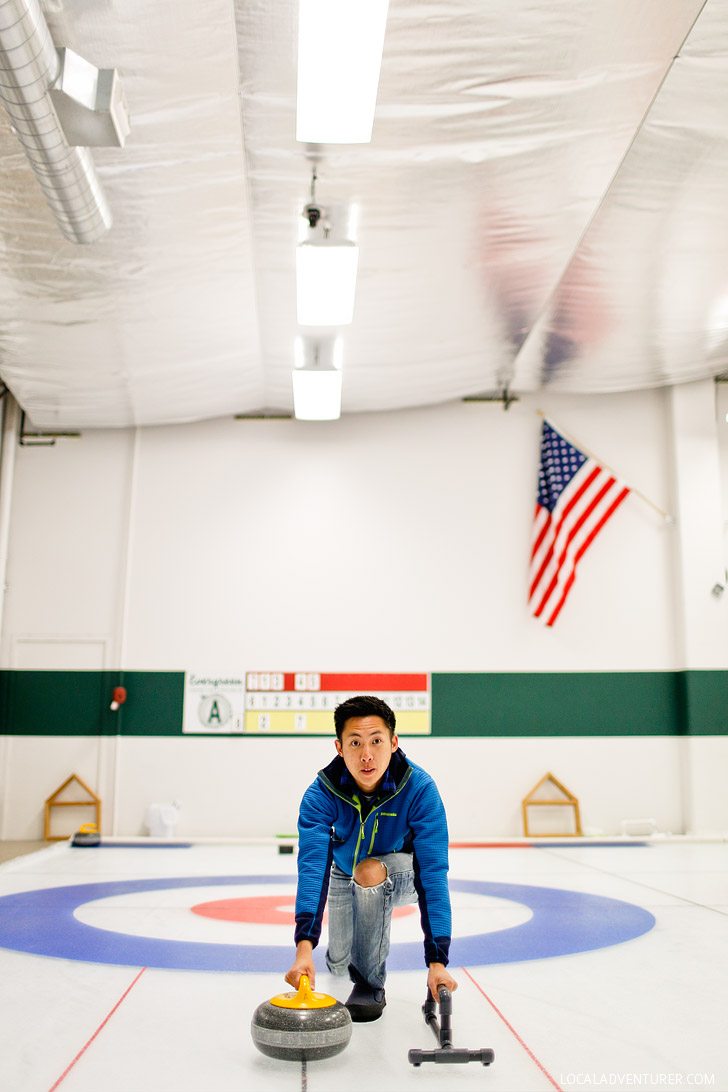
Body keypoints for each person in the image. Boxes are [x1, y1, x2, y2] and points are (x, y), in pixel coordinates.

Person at [285, 694, 457, 1022]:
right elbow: (312, 866)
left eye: (376, 741)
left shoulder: (420, 788)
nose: (366, 755)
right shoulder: (321, 793)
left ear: (393, 743)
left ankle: (369, 985)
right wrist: (304, 948)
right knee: (337, 962)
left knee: (369, 871)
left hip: (402, 870)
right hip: (343, 871)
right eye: (355, 743)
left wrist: (438, 963)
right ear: (339, 748)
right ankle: (350, 962)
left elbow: (433, 872)